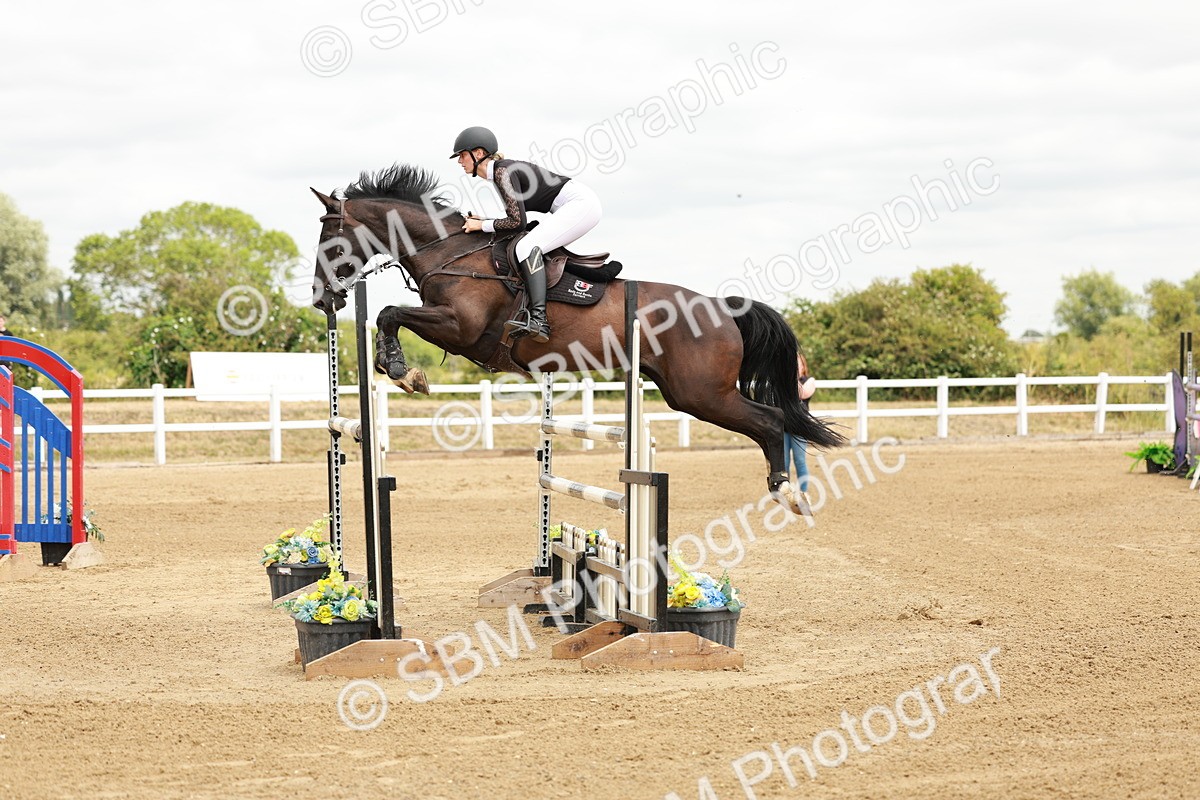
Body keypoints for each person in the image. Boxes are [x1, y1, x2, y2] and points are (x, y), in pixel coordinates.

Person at [450, 125, 603, 343]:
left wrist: (481, 225)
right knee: (527, 243)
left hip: (581, 205)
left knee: (526, 247)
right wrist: (483, 221)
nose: (459, 161)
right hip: (575, 205)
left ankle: (539, 320)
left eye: (462, 155)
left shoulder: (502, 172)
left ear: (479, 153)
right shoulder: (499, 172)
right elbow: (515, 219)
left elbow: (517, 222)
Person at [784, 352, 816, 501]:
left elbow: (802, 394)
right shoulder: (783, 381)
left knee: (799, 461)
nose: (795, 366)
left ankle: (803, 492)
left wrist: (792, 378)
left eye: (798, 363)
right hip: (784, 425)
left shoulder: (809, 381)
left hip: (800, 427)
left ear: (803, 366)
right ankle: (786, 492)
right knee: (784, 463)